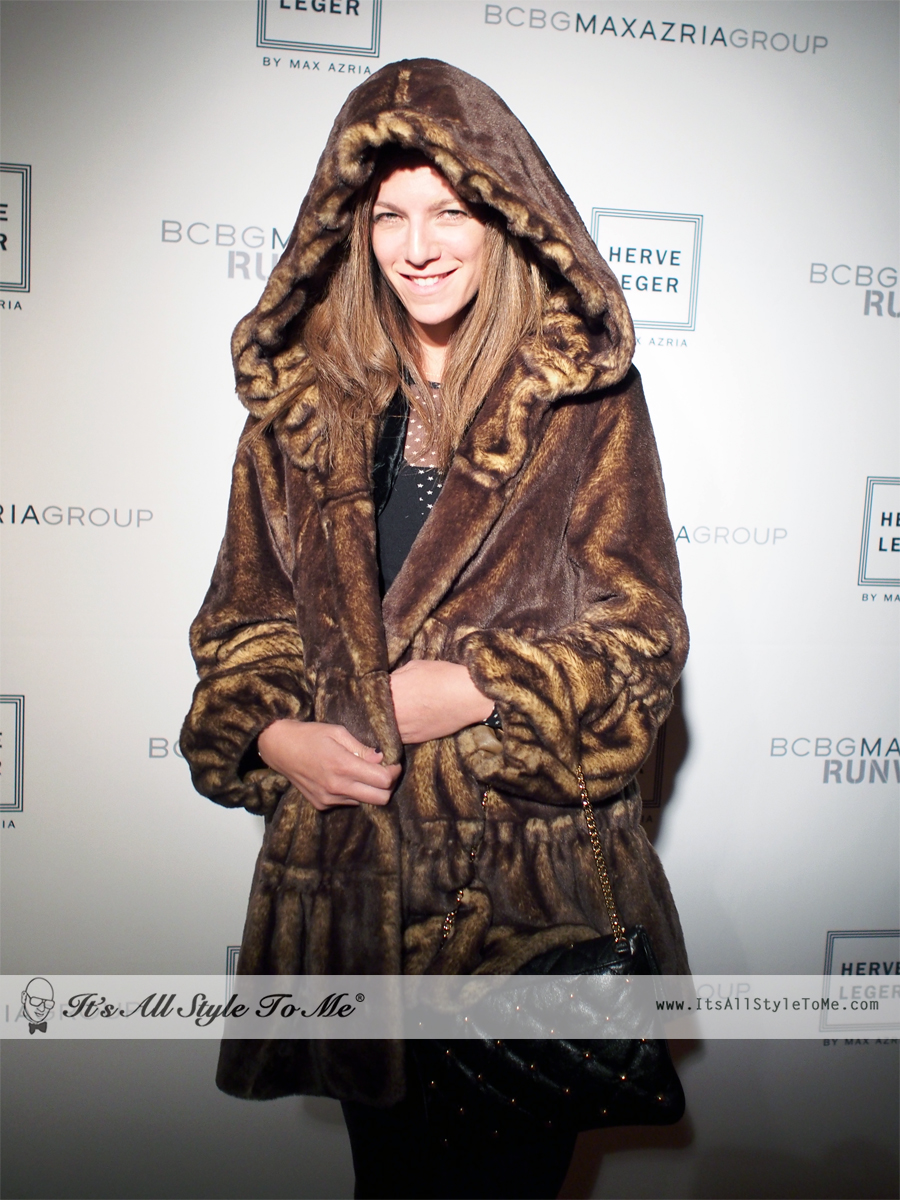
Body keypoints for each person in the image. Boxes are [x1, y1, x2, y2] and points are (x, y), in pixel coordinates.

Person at [181, 58, 689, 1200]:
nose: (417, 247)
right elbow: (242, 629)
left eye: (448, 211)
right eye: (388, 215)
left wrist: (474, 688)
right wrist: (275, 739)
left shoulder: (582, 401)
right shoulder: (300, 414)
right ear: (350, 230)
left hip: (518, 905)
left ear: (504, 219)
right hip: (349, 901)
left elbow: (644, 639)